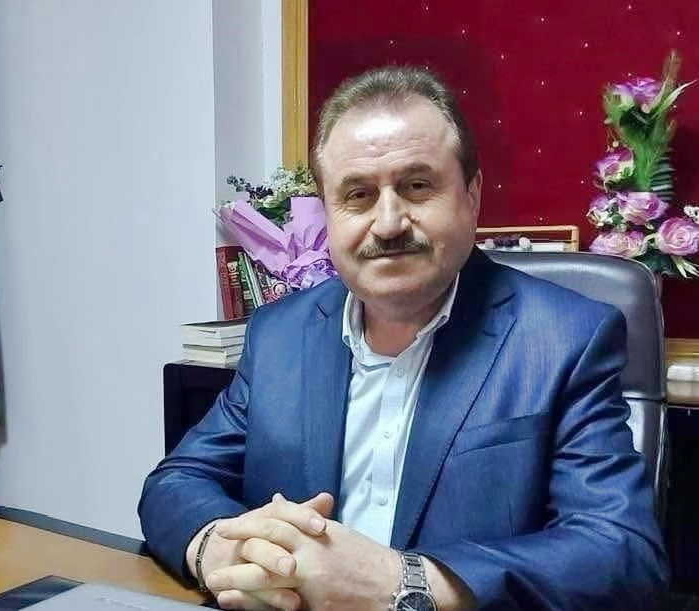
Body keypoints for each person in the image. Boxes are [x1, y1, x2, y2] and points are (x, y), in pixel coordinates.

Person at [139, 66, 669, 611]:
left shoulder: (563, 338)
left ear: (472, 195)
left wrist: (401, 581)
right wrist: (221, 550)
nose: (389, 222)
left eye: (417, 186)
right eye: (358, 194)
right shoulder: (280, 334)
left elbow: (622, 554)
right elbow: (177, 481)